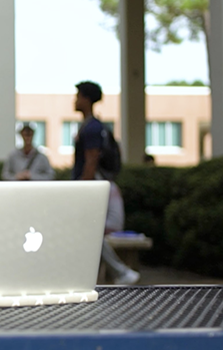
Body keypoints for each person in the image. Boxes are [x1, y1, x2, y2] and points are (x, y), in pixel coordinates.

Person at [72, 81, 139, 285]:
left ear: (86, 99)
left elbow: (91, 161)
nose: (74, 100)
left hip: (94, 188)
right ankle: (115, 272)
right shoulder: (93, 126)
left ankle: (121, 272)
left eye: (78, 95)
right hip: (100, 187)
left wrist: (81, 189)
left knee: (87, 231)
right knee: (85, 231)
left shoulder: (91, 128)